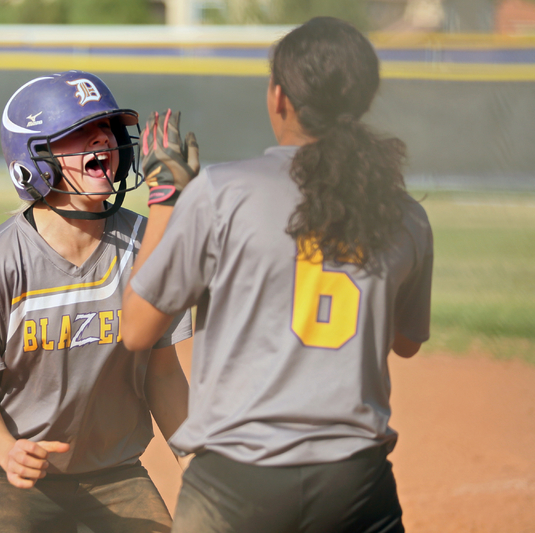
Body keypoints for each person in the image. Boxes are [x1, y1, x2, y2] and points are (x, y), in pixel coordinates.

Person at [122, 17, 433, 533]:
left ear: (279, 97)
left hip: (239, 482)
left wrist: (164, 199)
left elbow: (137, 329)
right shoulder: (405, 214)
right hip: (355, 481)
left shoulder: (223, 193)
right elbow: (405, 342)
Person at [0, 70, 191, 533]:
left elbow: (164, 375)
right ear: (34, 162)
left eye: (108, 128)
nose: (101, 138)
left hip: (113, 474)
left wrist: (199, 465)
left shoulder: (149, 246)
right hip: (9, 474)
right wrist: (7, 451)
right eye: (78, 133)